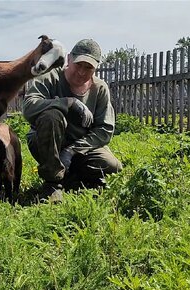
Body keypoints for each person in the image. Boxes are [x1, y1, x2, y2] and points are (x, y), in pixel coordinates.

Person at [22, 38, 122, 202]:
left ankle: (71, 178)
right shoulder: (49, 77)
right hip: (46, 141)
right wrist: (67, 102)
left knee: (112, 166)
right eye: (78, 65)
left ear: (96, 68)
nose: (81, 72)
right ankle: (52, 184)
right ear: (69, 59)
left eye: (88, 68)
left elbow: (104, 130)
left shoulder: (100, 88)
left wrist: (71, 151)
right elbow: (28, 107)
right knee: (51, 115)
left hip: (80, 148)